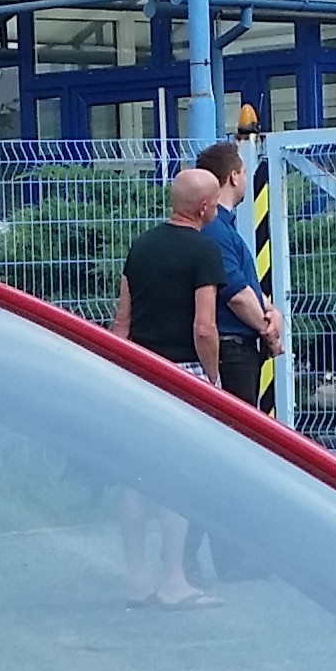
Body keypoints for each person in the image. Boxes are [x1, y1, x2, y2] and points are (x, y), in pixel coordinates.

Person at [113, 165, 232, 606]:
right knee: (177, 479)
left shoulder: (141, 246)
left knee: (136, 478)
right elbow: (204, 327)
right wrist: (213, 379)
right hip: (184, 374)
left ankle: (136, 580)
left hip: (139, 371)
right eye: (214, 203)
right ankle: (174, 581)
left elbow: (122, 321)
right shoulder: (204, 251)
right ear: (203, 207)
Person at [192, 138, 286, 408]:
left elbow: (245, 285)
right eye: (244, 172)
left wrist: (270, 310)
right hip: (232, 351)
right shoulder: (216, 230)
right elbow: (236, 294)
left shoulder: (223, 227)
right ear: (233, 177)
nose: (246, 177)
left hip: (234, 349)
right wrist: (268, 331)